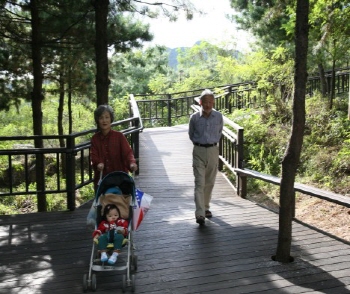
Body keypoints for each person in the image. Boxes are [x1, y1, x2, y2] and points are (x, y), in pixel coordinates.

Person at [188, 89, 223, 225]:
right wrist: (199, 144)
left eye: (210, 102)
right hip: (199, 150)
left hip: (213, 150)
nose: (208, 105)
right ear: (200, 102)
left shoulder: (218, 117)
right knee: (199, 183)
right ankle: (200, 213)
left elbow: (219, 132)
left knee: (209, 182)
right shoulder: (195, 118)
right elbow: (191, 134)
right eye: (205, 102)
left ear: (213, 102)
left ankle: (206, 207)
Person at [90, 105, 138, 191]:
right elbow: (94, 155)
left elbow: (127, 153)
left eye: (107, 117)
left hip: (120, 179)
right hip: (102, 179)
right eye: (101, 118)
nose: (104, 120)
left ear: (111, 119)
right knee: (103, 203)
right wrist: (98, 163)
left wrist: (132, 163)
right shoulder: (95, 139)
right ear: (97, 120)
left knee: (122, 202)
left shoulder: (119, 136)